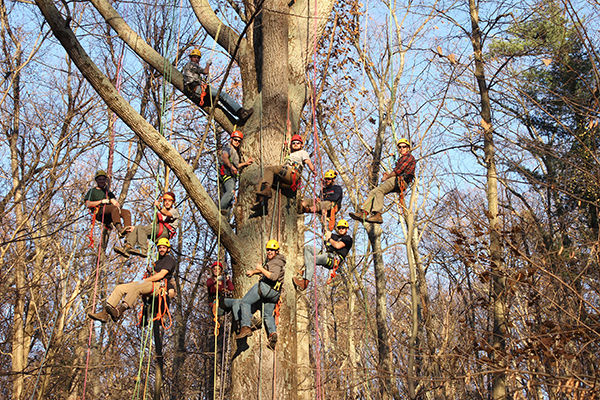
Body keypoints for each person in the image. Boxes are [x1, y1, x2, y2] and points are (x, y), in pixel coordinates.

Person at [88, 238, 178, 323]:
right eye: (160, 247)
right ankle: (104, 313)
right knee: (120, 288)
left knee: (137, 286)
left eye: (164, 247)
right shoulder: (158, 262)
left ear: (168, 249)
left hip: (159, 286)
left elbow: (161, 275)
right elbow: (155, 274)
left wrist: (146, 280)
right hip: (151, 283)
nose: (161, 249)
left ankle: (120, 311)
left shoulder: (169, 260)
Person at [349, 138, 416, 224]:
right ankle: (364, 213)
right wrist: (388, 175)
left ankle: (377, 215)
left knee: (380, 190)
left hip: (401, 181)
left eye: (404, 147)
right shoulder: (401, 158)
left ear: (408, 148)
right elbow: (397, 171)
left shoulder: (408, 157)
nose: (402, 149)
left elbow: (398, 171)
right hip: (397, 180)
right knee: (373, 192)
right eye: (400, 147)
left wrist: (387, 177)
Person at [235, 240, 285, 350]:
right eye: (268, 250)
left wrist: (261, 268)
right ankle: (272, 334)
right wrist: (254, 272)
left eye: (272, 250)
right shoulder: (275, 261)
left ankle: (246, 326)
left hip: (265, 288)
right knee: (267, 315)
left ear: (277, 251)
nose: (269, 252)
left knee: (245, 302)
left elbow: (273, 276)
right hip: (274, 294)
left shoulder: (276, 262)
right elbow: (267, 270)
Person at [182, 48, 253, 124]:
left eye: (198, 57)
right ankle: (241, 112)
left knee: (220, 98)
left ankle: (239, 115)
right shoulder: (191, 64)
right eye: (194, 57)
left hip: (196, 92)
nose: (196, 59)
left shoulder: (189, 69)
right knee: (223, 95)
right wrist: (208, 64)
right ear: (190, 57)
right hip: (198, 89)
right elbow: (205, 71)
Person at [114, 192, 180, 258]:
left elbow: (167, 213)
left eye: (169, 201)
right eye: (165, 201)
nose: (167, 203)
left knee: (141, 228)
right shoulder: (159, 213)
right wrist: (135, 229)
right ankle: (127, 248)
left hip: (165, 231)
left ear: (172, 203)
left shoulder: (174, 211)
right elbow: (152, 225)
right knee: (138, 228)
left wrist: (159, 207)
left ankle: (143, 250)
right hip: (158, 232)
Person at [293, 219, 353, 291]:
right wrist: (324, 223)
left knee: (312, 259)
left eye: (343, 228)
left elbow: (337, 246)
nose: (341, 229)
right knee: (308, 248)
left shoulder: (348, 239)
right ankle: (306, 270)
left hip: (333, 260)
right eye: (339, 228)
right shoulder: (336, 237)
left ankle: (305, 282)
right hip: (328, 255)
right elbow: (327, 232)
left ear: (347, 229)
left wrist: (329, 239)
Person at [255, 134, 316, 200]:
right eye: (293, 143)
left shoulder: (303, 152)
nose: (295, 144)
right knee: (265, 179)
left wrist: (313, 170)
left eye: (298, 143)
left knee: (269, 169)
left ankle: (267, 191)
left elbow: (308, 162)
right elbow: (288, 133)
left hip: (292, 173)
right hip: (287, 181)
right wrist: (286, 145)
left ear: (301, 145)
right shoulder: (290, 154)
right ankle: (260, 201)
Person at [83, 170, 132, 236]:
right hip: (100, 212)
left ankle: (128, 234)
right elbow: (88, 204)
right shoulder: (92, 191)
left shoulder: (107, 192)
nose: (102, 181)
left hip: (110, 212)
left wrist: (115, 203)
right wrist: (101, 201)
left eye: (103, 179)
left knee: (126, 212)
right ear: (96, 180)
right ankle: (119, 229)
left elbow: (114, 202)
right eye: (100, 179)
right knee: (113, 208)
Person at [219, 130, 254, 214]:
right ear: (231, 139)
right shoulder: (227, 148)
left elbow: (236, 166)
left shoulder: (235, 153)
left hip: (232, 176)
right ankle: (220, 210)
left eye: (239, 141)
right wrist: (231, 167)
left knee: (230, 198)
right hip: (227, 174)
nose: (237, 142)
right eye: (235, 140)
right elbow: (224, 158)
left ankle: (225, 219)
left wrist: (245, 163)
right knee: (230, 192)